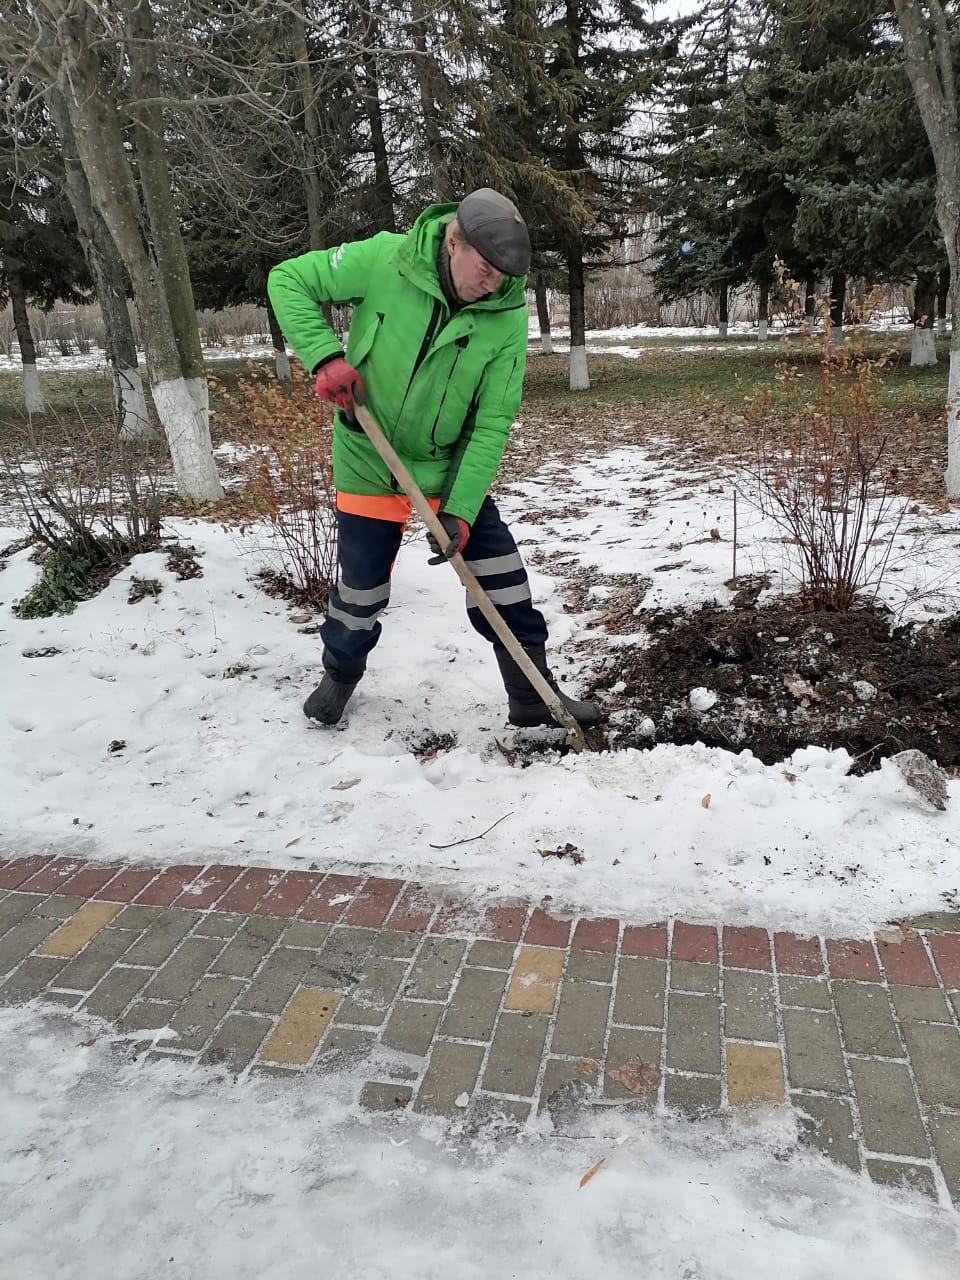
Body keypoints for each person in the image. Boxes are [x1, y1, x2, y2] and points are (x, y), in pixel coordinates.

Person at [267, 187, 601, 731]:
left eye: (504, 272)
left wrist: (462, 510)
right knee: (362, 589)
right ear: (452, 242)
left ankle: (532, 694)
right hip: (368, 456)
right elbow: (288, 280)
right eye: (485, 266)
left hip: (447, 467)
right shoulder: (386, 259)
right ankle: (340, 673)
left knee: (503, 579)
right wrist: (324, 357)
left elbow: (491, 420)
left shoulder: (506, 315)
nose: (493, 281)